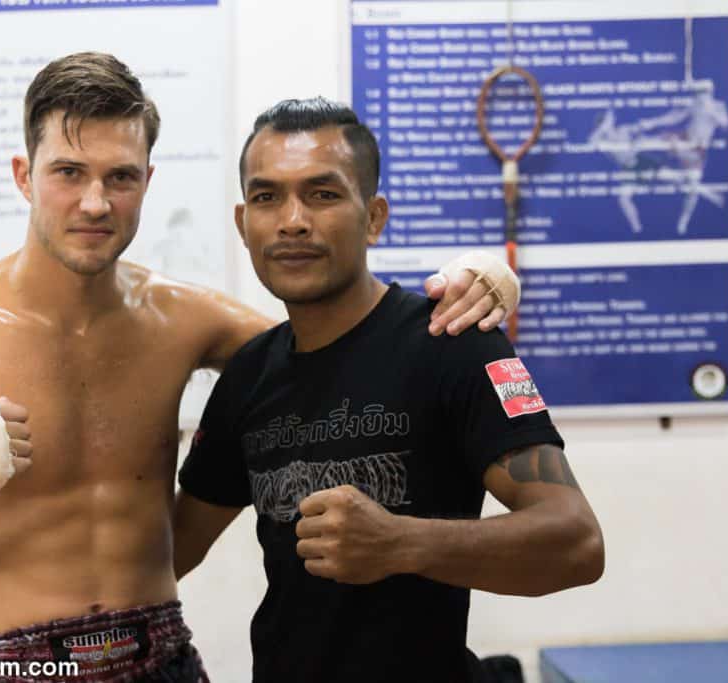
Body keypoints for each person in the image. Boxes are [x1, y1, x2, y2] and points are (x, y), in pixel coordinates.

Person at [0, 53, 520, 682]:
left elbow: (346, 346)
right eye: (69, 173)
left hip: (159, 657)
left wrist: (466, 286)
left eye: (120, 176)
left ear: (147, 181)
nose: (95, 201)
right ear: (24, 175)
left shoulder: (186, 321)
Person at [173, 98, 605, 683]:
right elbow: (170, 552)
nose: (292, 220)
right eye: (266, 196)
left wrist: (400, 542)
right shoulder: (249, 375)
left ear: (374, 216)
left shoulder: (452, 343)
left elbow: (577, 543)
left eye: (322, 194)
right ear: (242, 221)